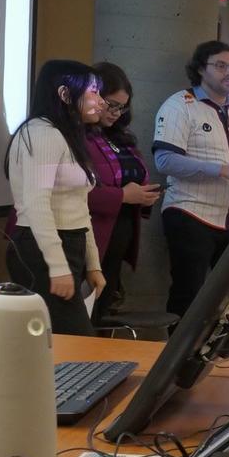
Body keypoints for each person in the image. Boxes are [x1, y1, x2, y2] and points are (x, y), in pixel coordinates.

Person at [152, 40, 229, 317]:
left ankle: (216, 351)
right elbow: (164, 161)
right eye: (220, 66)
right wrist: (222, 169)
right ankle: (178, 358)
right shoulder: (179, 106)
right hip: (190, 212)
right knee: (189, 294)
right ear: (200, 70)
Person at [2, 60, 106, 334]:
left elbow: (79, 207)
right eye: (93, 91)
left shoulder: (65, 135)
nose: (100, 100)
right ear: (64, 94)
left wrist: (92, 264)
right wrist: (57, 267)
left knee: (65, 340)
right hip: (39, 248)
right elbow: (37, 204)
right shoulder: (42, 134)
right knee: (74, 339)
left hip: (66, 244)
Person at [85, 62, 160, 322]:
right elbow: (74, 192)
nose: (116, 112)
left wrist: (143, 194)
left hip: (119, 234)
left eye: (122, 106)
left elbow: (135, 175)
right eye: (111, 104)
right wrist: (124, 196)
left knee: (103, 311)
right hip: (90, 237)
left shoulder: (120, 137)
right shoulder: (77, 137)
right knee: (84, 318)